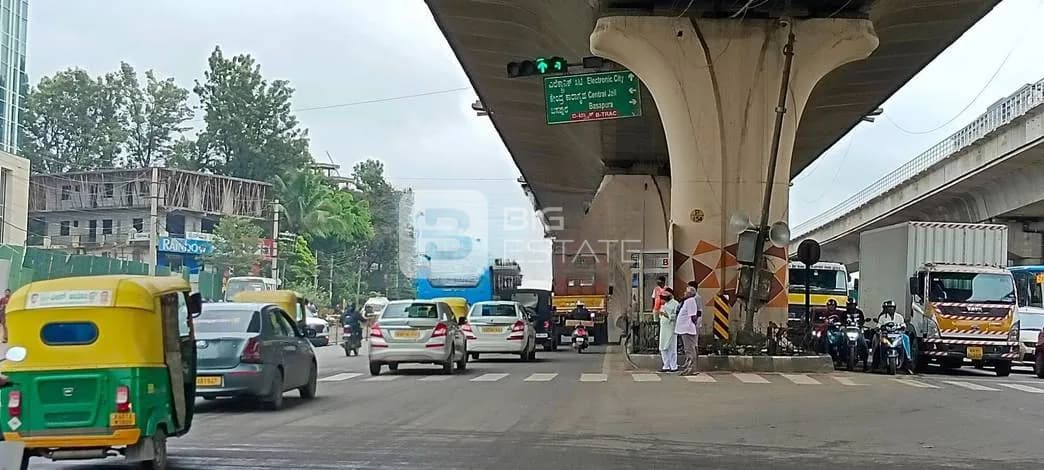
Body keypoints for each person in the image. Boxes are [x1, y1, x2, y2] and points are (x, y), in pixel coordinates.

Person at [871, 299, 913, 373]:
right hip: (886, 335)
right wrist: (878, 328)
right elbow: (879, 325)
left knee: (905, 340)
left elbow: (903, 325)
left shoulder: (899, 317)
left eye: (892, 307)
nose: (890, 309)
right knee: (878, 346)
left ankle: (908, 365)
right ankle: (874, 365)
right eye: (889, 307)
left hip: (897, 335)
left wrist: (903, 327)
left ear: (895, 308)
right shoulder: (882, 317)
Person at [675, 285, 703, 375]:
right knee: (688, 349)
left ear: (690, 293)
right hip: (684, 329)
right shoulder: (687, 301)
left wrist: (692, 324)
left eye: (686, 292)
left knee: (689, 349)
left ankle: (691, 368)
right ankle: (688, 366)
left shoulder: (690, 301)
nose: (684, 293)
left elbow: (693, 316)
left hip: (687, 329)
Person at [657, 288, 680, 373]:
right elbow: (661, 314)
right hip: (664, 328)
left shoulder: (675, 304)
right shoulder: (664, 304)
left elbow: (675, 316)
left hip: (671, 329)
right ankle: (666, 365)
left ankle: (673, 366)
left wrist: (667, 315)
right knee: (663, 347)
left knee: (671, 348)